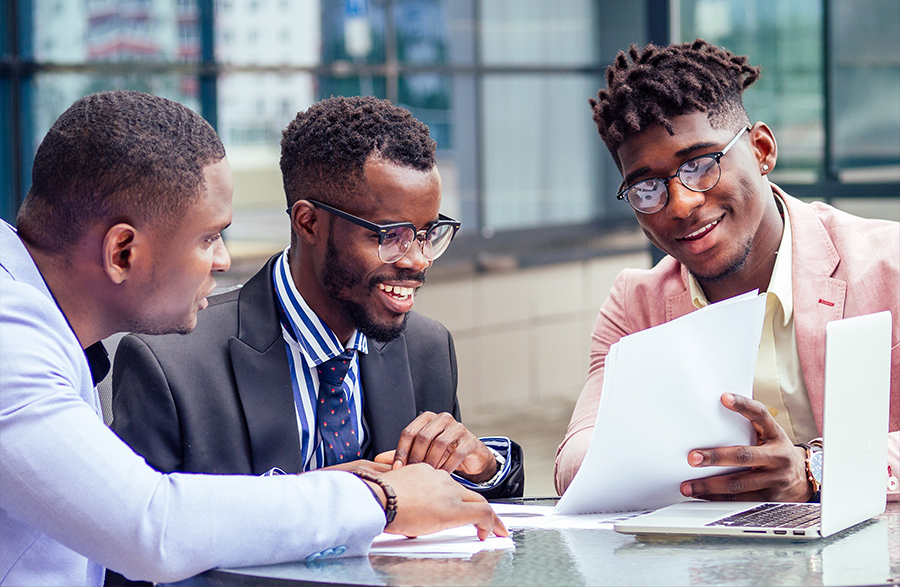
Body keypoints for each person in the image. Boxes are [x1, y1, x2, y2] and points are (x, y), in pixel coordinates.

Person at [0, 91, 505, 587]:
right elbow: (151, 527)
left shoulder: (33, 321)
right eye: (208, 237)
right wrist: (381, 499)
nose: (222, 261)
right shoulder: (11, 344)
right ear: (122, 251)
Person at [109, 96, 523, 496]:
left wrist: (483, 469)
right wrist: (323, 497)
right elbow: (138, 548)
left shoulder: (427, 348)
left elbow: (464, 526)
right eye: (390, 236)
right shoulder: (171, 364)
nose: (419, 260)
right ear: (308, 223)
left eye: (428, 234)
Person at [555, 40, 899, 502]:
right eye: (648, 187)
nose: (682, 204)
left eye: (700, 165)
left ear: (761, 149)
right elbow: (577, 466)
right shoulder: (635, 306)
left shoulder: (888, 265)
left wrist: (814, 470)